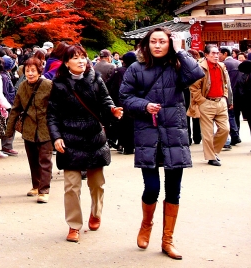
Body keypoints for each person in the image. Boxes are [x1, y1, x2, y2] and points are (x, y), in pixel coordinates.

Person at [119, 28, 204, 260]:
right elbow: (124, 97)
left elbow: (196, 74)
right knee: (152, 187)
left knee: (174, 190)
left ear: (169, 44)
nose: (157, 45)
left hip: (174, 133)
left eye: (162, 42)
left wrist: (180, 51)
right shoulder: (136, 68)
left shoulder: (177, 65)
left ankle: (168, 240)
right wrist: (144, 106)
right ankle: (146, 225)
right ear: (147, 44)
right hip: (147, 134)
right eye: (153, 41)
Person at [47, 44, 123, 243]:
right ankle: (74, 225)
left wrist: (112, 110)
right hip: (70, 139)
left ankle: (96, 213)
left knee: (97, 184)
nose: (81, 60)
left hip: (93, 137)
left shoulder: (95, 78)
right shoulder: (59, 84)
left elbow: (106, 100)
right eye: (75, 57)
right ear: (66, 63)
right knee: (71, 186)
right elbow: (52, 114)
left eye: (83, 56)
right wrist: (56, 137)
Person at [5, 57, 53, 204]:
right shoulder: (22, 86)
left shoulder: (48, 85)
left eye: (33, 70)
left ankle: (44, 190)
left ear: (39, 71)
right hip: (29, 129)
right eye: (27, 71)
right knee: (33, 160)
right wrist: (9, 131)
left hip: (46, 129)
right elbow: (15, 109)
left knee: (45, 160)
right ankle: (36, 186)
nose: (30, 73)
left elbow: (57, 106)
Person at [187, 45, 231, 166]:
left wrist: (225, 96)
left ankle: (213, 151)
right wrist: (202, 101)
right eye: (213, 53)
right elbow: (194, 87)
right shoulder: (200, 68)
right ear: (206, 55)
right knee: (207, 133)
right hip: (206, 102)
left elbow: (225, 83)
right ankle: (211, 157)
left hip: (221, 101)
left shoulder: (221, 66)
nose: (216, 56)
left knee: (225, 129)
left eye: (217, 53)